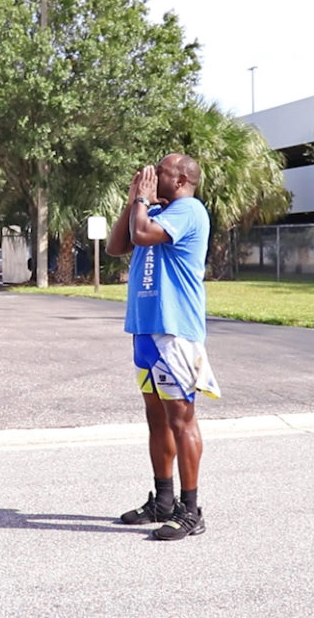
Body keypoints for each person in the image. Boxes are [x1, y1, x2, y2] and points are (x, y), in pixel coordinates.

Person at [105, 153, 220, 541]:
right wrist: (134, 197)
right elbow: (117, 246)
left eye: (162, 170)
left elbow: (142, 235)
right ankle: (164, 501)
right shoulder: (154, 212)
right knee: (156, 417)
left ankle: (191, 511)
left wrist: (143, 201)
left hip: (174, 331)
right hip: (146, 328)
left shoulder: (189, 210)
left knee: (180, 418)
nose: (153, 174)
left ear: (183, 178)